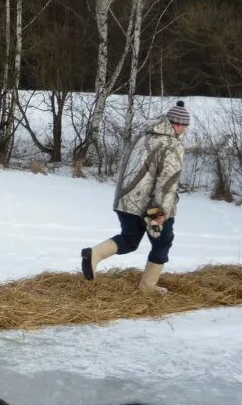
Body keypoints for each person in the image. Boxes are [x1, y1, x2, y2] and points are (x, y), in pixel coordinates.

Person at [81, 100, 190, 293]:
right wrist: (160, 213)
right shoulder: (172, 144)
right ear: (179, 125)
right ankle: (147, 286)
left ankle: (94, 254)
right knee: (162, 243)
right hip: (152, 208)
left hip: (125, 200)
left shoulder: (143, 136)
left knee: (129, 240)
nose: (185, 130)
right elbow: (167, 182)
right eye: (185, 126)